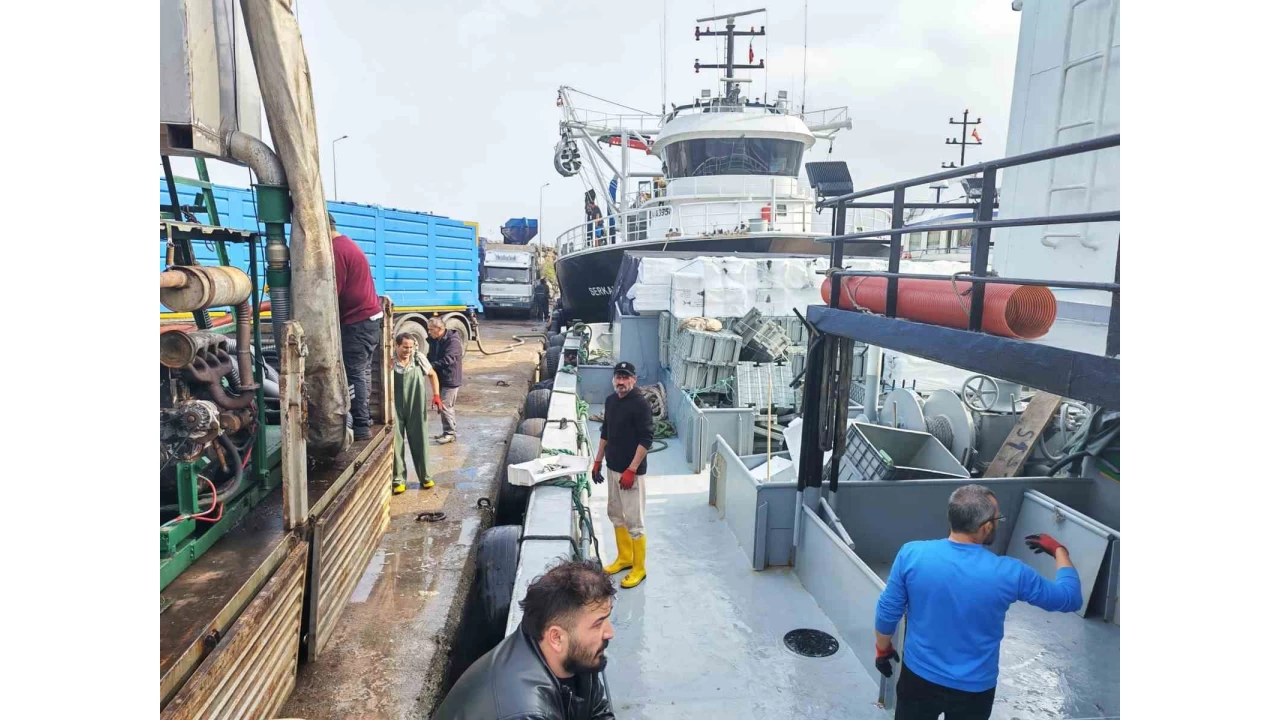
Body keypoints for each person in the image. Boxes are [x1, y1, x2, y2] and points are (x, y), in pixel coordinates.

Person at [873, 484, 1083, 720]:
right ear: (986, 527)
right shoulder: (1010, 573)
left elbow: (888, 610)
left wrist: (882, 649)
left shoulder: (911, 554)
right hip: (974, 690)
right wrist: (1059, 550)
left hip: (918, 678)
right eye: (997, 518)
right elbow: (1069, 598)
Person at [432, 560, 616, 720]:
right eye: (598, 624)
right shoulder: (524, 712)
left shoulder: (578, 658)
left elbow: (599, 713)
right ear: (556, 637)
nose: (610, 632)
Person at [591, 361, 653, 589]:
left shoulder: (640, 405)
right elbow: (605, 431)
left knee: (635, 522)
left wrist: (632, 469)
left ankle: (639, 568)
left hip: (631, 473)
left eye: (625, 377)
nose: (620, 381)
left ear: (634, 380)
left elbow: (646, 440)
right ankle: (624, 558)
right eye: (618, 376)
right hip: (612, 467)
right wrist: (597, 460)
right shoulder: (610, 401)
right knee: (616, 514)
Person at [330, 213, 383, 441]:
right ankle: (364, 421)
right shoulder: (347, 244)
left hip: (357, 323)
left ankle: (360, 426)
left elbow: (333, 291)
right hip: (369, 320)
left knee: (354, 374)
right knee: (362, 373)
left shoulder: (336, 250)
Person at [391, 332, 442, 495]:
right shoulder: (390, 360)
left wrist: (436, 395)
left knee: (420, 440)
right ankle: (398, 480)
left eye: (411, 347)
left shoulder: (418, 358)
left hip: (416, 406)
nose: (408, 350)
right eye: (405, 347)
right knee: (396, 442)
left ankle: (425, 477)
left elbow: (432, 374)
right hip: (395, 407)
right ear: (396, 345)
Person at [425, 317, 464, 444]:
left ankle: (450, 433)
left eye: (431, 329)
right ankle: (446, 431)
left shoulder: (453, 341)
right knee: (443, 405)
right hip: (440, 377)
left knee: (446, 406)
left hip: (450, 378)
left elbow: (449, 359)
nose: (428, 332)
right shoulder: (435, 340)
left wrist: (431, 366)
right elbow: (430, 355)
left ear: (439, 329)